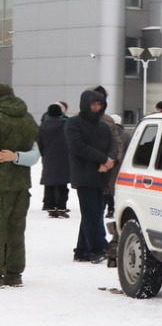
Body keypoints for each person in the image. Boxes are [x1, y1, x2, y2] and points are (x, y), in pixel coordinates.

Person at [64, 89, 116, 264]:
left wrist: (110, 160)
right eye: (93, 104)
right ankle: (97, 248)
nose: (96, 107)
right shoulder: (74, 123)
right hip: (84, 174)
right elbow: (78, 147)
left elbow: (113, 144)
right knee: (92, 213)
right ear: (85, 105)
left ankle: (82, 250)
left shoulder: (102, 126)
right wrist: (103, 159)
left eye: (99, 104)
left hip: (102, 174)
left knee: (93, 213)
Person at [0, 83, 40, 288]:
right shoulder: (28, 119)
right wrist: (15, 156)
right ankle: (14, 274)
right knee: (16, 229)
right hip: (21, 184)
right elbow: (35, 155)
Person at [37, 103, 70, 217]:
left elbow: (39, 143)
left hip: (49, 157)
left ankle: (50, 207)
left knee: (50, 184)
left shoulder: (42, 127)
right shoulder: (66, 125)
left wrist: (44, 154)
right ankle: (61, 207)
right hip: (64, 158)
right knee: (63, 184)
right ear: (60, 113)